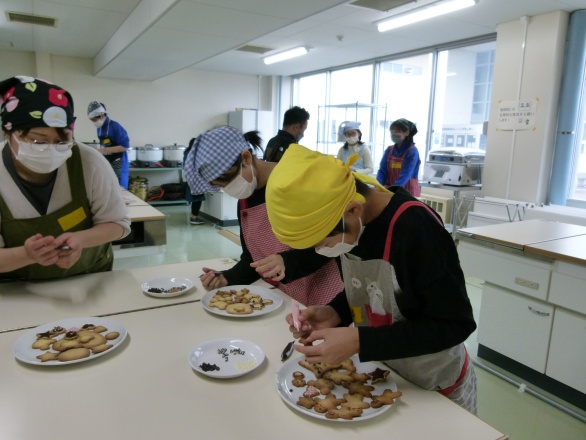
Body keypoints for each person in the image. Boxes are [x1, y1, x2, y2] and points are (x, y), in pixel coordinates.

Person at [265, 144, 477, 413]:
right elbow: (375, 287)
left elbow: (455, 324)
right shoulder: (354, 227)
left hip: (432, 386)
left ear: (353, 211)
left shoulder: (418, 231)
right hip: (385, 373)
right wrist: (336, 311)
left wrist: (359, 342)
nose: (321, 252)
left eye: (322, 242)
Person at [183, 125, 343, 306]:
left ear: (246, 157)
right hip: (284, 297)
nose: (227, 189)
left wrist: (288, 262)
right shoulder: (245, 200)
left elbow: (335, 240)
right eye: (219, 185)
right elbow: (253, 259)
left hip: (326, 295)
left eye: (228, 180)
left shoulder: (296, 181)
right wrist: (228, 277)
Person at [0, 75, 130, 280]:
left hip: (88, 281)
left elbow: (118, 224)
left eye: (61, 142)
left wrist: (81, 240)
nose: (51, 150)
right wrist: (25, 255)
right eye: (38, 141)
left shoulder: (89, 163)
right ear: (8, 133)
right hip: (18, 290)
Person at [87, 101, 131, 189]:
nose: (94, 122)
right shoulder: (99, 128)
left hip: (118, 161)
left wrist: (104, 150)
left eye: (95, 120)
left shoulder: (115, 127)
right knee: (107, 186)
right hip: (107, 160)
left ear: (102, 116)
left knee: (118, 187)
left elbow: (125, 146)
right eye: (92, 120)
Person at [376, 118, 421, 197]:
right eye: (392, 131)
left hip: (407, 191)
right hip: (389, 189)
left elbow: (406, 174)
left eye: (397, 131)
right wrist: (377, 186)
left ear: (406, 133)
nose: (393, 134)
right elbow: (382, 171)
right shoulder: (389, 150)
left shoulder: (412, 151)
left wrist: (394, 189)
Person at [183, 137, 205, 225]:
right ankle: (194, 218)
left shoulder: (187, 152)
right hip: (195, 179)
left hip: (190, 178)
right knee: (197, 199)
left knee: (194, 198)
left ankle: (194, 216)